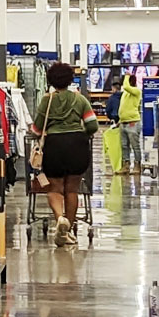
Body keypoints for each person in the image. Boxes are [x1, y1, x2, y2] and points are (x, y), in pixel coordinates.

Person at [30, 61, 99, 246]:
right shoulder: (80, 99)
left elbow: (36, 129)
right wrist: (80, 133)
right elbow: (93, 125)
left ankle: (60, 219)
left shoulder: (47, 100)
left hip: (54, 146)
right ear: (70, 79)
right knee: (72, 189)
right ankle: (68, 231)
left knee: (55, 188)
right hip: (77, 146)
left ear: (51, 80)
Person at [117, 69, 143, 174]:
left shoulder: (137, 91)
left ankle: (137, 166)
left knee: (135, 145)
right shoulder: (125, 94)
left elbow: (127, 87)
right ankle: (126, 166)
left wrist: (127, 76)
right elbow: (124, 106)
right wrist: (120, 120)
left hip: (133, 122)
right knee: (124, 146)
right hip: (123, 123)